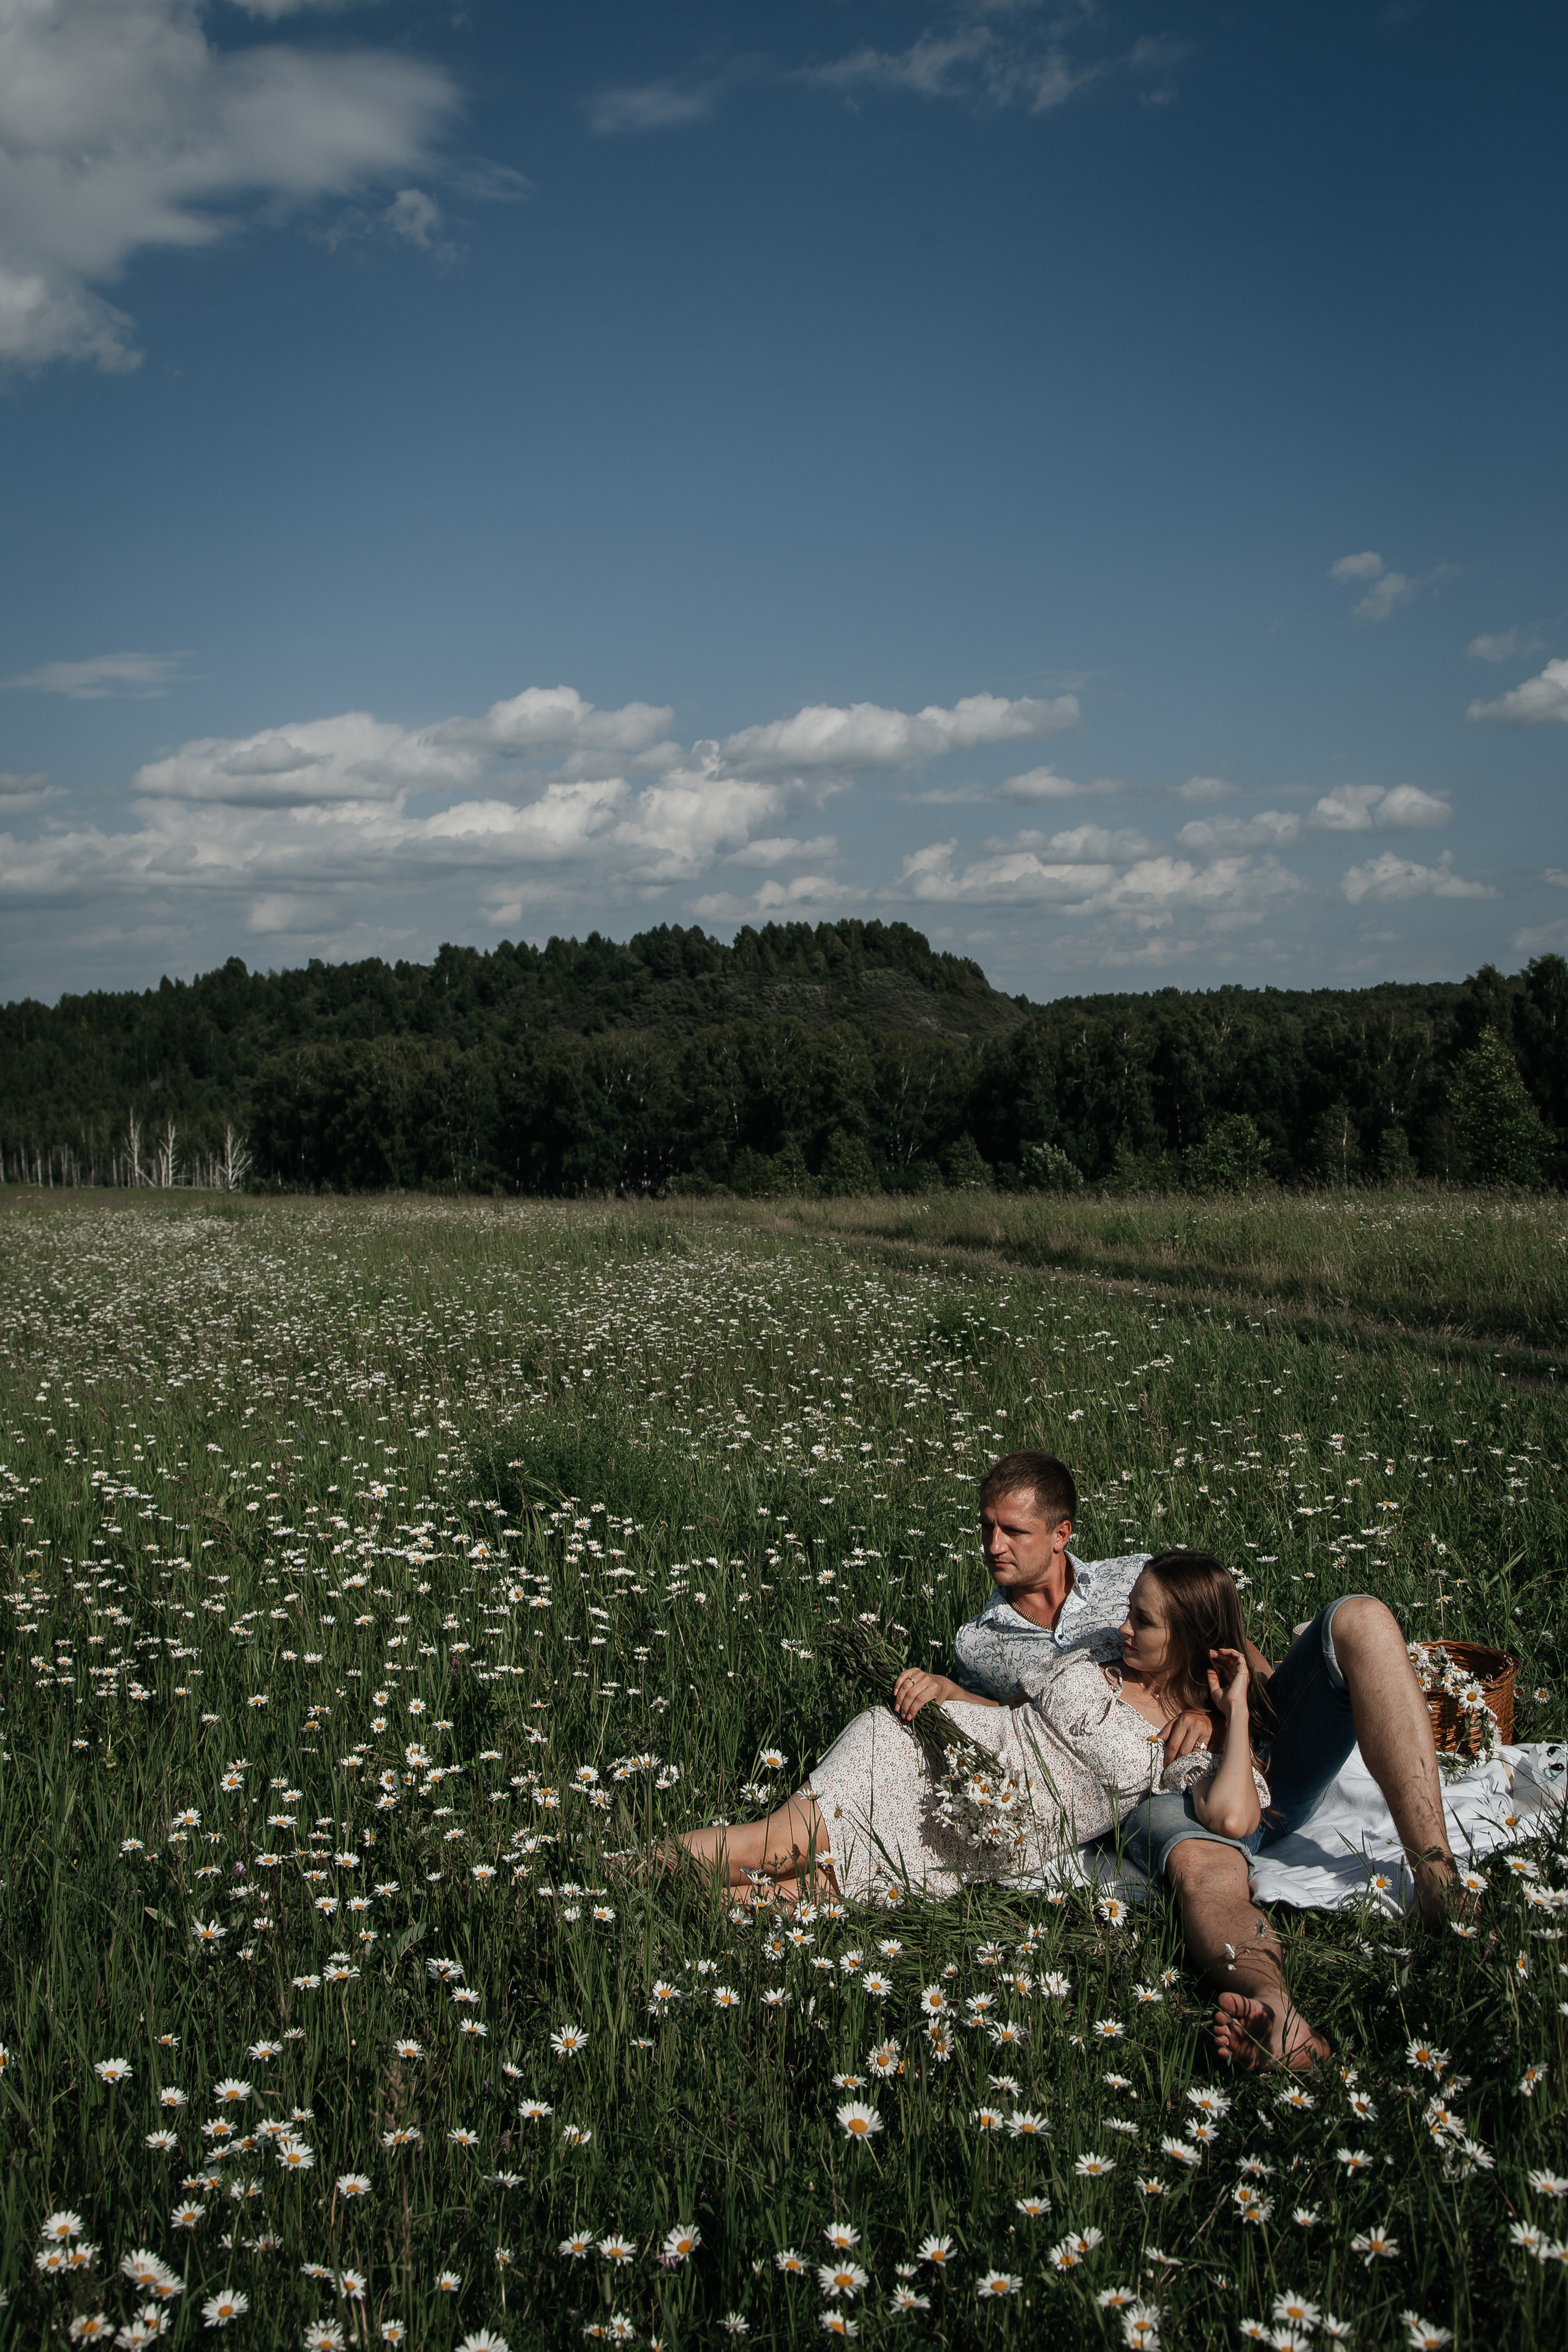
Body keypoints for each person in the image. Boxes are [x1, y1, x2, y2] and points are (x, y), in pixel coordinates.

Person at [907, 1449, 1460, 2071]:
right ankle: (1275, 2011)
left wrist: (1220, 1712)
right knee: (1203, 1865)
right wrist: (951, 1695)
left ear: (1061, 1534)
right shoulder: (980, 1639)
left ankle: (1436, 1874)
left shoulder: (1133, 1574)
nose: (992, 1545)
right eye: (985, 1527)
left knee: (1360, 1616)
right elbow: (1016, 1718)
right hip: (1158, 1783)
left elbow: (1237, 1647)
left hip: (1252, 1744)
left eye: (1012, 1529)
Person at [674, 1551, 1267, 1910]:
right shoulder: (1100, 1658)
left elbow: (1233, 1820)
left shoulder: (1195, 1736)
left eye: (1142, 1619)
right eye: (1128, 1610)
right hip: (923, 1757)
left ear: (1190, 1635)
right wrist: (946, 1691)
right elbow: (1007, 1710)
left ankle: (637, 1897)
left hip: (985, 1831)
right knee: (778, 1849)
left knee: (797, 1900)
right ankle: (612, 1872)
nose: (1122, 1626)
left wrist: (1233, 1711)